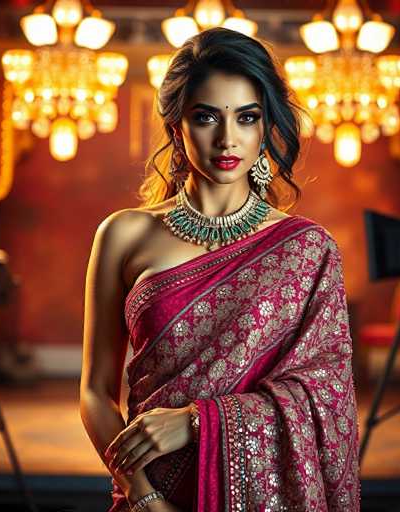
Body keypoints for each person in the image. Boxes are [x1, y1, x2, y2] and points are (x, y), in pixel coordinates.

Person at [80, 27, 360, 512]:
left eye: (247, 118)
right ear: (176, 127)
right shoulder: (123, 235)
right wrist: (143, 497)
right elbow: (94, 393)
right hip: (150, 487)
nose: (228, 138)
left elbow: (327, 398)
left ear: (264, 126)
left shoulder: (307, 250)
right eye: (206, 116)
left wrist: (196, 421)